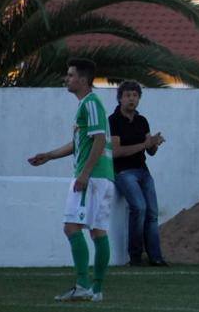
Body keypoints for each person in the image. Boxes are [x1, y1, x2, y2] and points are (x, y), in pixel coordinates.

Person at [28, 58, 114, 302]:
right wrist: (49, 155)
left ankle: (83, 284)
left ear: (84, 80)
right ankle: (96, 290)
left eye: (70, 75)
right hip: (103, 177)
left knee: (71, 226)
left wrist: (84, 174)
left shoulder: (91, 103)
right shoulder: (87, 106)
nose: (66, 79)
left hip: (93, 177)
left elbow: (98, 140)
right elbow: (82, 143)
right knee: (98, 231)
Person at [109, 81, 167, 266]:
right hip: (123, 171)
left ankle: (156, 257)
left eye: (135, 95)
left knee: (152, 213)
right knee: (139, 208)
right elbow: (116, 152)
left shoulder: (142, 121)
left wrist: (155, 144)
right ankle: (135, 256)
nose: (131, 99)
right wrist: (145, 144)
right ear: (120, 98)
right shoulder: (113, 120)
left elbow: (150, 152)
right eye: (127, 95)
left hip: (143, 170)